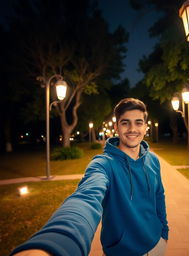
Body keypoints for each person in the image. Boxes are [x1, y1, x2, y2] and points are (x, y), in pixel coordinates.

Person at [11, 98, 169, 256]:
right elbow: (86, 197)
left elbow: (159, 196)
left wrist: (164, 233)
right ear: (117, 127)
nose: (132, 129)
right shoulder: (103, 164)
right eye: (125, 122)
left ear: (145, 126)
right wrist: (57, 242)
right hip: (122, 251)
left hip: (157, 245)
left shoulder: (153, 159)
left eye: (138, 122)